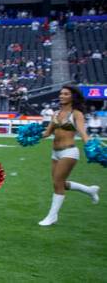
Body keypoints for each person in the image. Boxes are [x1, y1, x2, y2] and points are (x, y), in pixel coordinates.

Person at [37, 85, 99, 226]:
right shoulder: (56, 114)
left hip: (69, 152)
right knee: (60, 184)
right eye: (61, 93)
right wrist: (32, 134)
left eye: (65, 94)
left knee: (57, 183)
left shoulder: (76, 114)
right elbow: (47, 133)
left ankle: (52, 217)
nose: (62, 96)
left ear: (72, 97)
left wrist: (91, 146)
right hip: (55, 153)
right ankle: (89, 190)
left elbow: (83, 133)